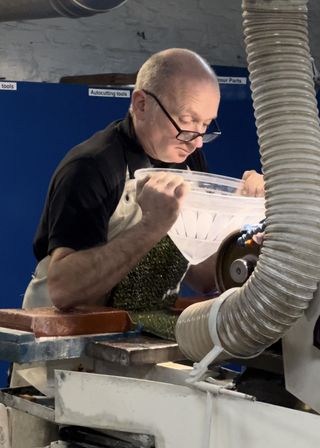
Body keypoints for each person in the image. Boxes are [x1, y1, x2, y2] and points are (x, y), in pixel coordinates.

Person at [23, 48, 264, 331]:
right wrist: (151, 226)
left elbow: (201, 276)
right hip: (65, 351)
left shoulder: (188, 161)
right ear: (141, 104)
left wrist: (239, 217)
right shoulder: (92, 166)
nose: (196, 142)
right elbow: (64, 290)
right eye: (186, 122)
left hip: (138, 338)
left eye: (206, 125)